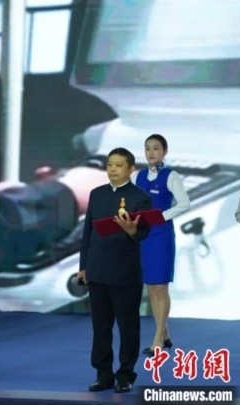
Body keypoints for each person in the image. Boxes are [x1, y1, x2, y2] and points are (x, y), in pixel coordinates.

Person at [77, 147, 152, 394]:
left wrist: (132, 231)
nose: (112, 169)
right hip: (97, 270)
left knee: (128, 327)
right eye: (110, 164)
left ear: (131, 169)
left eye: (118, 165)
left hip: (125, 273)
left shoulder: (140, 198)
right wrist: (83, 266)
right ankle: (103, 374)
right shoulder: (97, 194)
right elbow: (87, 232)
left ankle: (125, 375)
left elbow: (143, 233)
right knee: (101, 327)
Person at [132, 134, 190, 356]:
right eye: (147, 148)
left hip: (162, 235)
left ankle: (157, 339)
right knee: (150, 287)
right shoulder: (138, 176)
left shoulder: (170, 175)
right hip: (143, 235)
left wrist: (161, 216)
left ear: (164, 151)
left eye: (156, 148)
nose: (151, 152)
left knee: (160, 287)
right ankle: (165, 335)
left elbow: (184, 203)